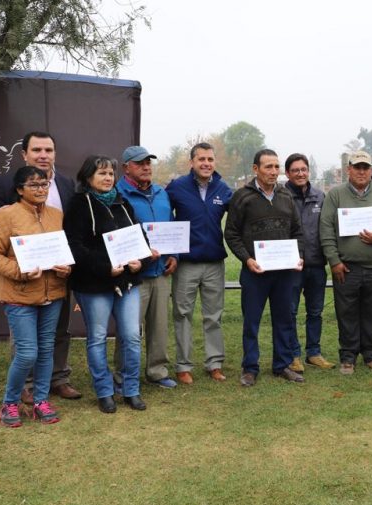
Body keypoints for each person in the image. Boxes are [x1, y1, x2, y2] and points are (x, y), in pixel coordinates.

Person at [0, 131, 81, 402]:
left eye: (48, 150)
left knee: (57, 332)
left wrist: (67, 263)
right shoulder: (7, 183)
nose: (43, 155)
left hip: (56, 277)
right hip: (24, 276)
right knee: (25, 341)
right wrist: (24, 249)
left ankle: (58, 378)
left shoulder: (64, 183)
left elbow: (70, 229)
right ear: (24, 154)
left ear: (54, 154)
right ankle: (25, 386)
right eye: (37, 150)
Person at [64, 156, 150, 413]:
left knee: (132, 336)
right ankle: (104, 391)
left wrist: (140, 262)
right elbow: (75, 247)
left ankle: (130, 389)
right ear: (88, 177)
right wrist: (104, 267)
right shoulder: (79, 205)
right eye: (102, 173)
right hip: (93, 284)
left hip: (127, 281)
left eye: (110, 173)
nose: (108, 178)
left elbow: (139, 238)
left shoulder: (122, 202)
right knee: (98, 337)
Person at [225, 149, 305, 386]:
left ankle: (281, 365)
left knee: (284, 319)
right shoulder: (242, 197)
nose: (273, 172)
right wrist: (247, 259)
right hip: (255, 273)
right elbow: (231, 234)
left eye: (276, 167)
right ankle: (250, 367)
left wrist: (298, 256)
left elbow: (297, 232)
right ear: (255, 169)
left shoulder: (286, 196)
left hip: (284, 273)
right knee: (252, 321)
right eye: (268, 167)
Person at [319, 151, 372, 375]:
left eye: (366, 167)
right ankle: (348, 357)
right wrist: (334, 261)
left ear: (371, 171)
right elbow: (326, 230)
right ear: (349, 169)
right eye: (357, 167)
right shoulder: (335, 195)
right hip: (346, 268)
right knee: (346, 313)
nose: (361, 171)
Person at [165, 143, 233, 384]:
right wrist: (171, 252)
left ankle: (214, 363)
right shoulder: (177, 187)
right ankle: (183, 366)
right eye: (201, 159)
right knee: (182, 314)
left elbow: (237, 221)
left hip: (215, 262)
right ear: (191, 162)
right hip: (186, 263)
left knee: (213, 315)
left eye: (210, 159)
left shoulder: (223, 189)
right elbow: (164, 217)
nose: (206, 163)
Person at [113, 146, 178, 390]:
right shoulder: (117, 193)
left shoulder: (161, 192)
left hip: (160, 271)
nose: (146, 167)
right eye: (140, 163)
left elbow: (171, 226)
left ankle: (157, 371)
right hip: (134, 273)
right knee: (130, 328)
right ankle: (122, 374)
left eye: (148, 162)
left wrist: (175, 255)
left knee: (159, 325)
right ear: (126, 167)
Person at [283, 153, 334, 372]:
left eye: (303, 169)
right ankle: (293, 355)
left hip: (316, 264)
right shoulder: (280, 196)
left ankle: (314, 352)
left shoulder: (320, 196)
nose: (300, 173)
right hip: (291, 266)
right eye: (295, 170)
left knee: (315, 312)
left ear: (308, 171)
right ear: (288, 173)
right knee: (290, 311)